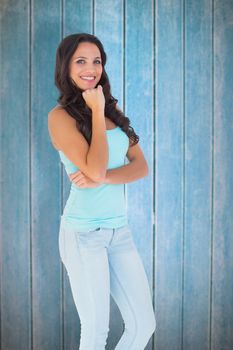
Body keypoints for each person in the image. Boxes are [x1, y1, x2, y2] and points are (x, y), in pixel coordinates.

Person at [48, 33, 156, 350]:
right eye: (81, 61)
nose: (90, 68)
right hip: (83, 234)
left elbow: (141, 167)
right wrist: (95, 111)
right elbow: (94, 169)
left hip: (118, 232)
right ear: (66, 67)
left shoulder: (112, 113)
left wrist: (102, 177)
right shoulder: (60, 118)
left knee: (144, 324)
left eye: (96, 61)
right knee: (95, 332)